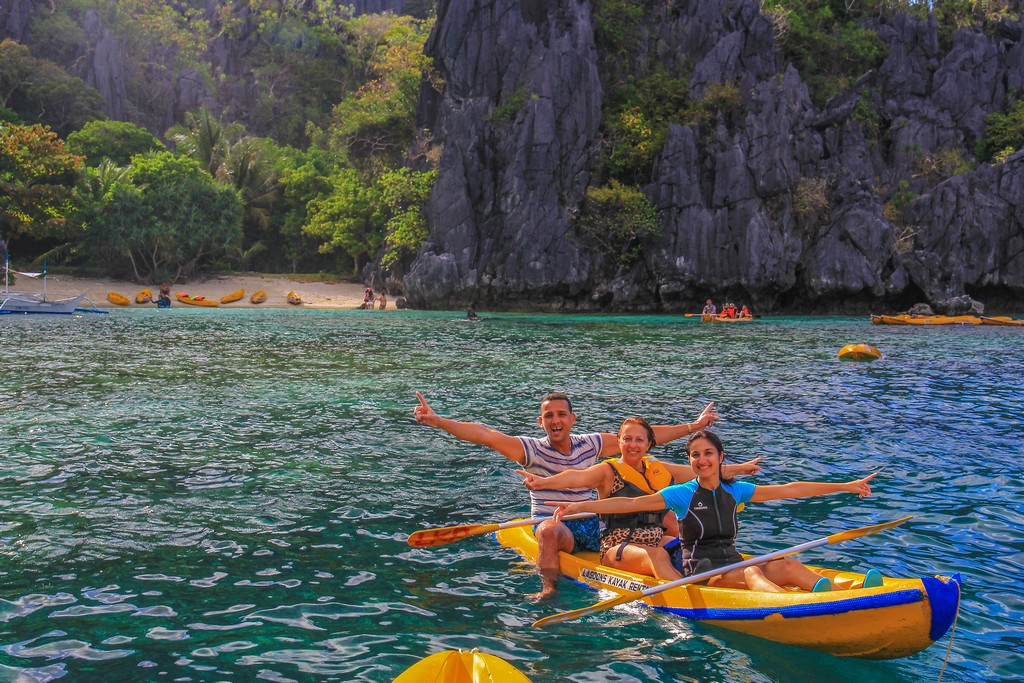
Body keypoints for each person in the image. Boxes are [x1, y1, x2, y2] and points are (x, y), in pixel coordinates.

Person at [413, 392, 719, 599]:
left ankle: (699, 563)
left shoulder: (592, 443)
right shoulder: (530, 449)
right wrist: (438, 421)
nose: (555, 420)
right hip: (559, 525)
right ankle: (549, 589)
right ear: (541, 422)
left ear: (572, 418)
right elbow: (485, 435)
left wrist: (693, 426)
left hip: (596, 523)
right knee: (547, 530)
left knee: (664, 518)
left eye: (561, 414)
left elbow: (644, 437)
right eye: (549, 416)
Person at [550, 429, 882, 593]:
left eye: (708, 453)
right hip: (704, 571)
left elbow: (792, 489)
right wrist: (581, 505)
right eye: (695, 455)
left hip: (734, 563)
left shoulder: (735, 490)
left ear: (721, 458)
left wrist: (846, 485)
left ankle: (842, 598)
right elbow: (630, 504)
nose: (701, 460)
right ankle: (793, 605)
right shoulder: (681, 494)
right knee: (753, 573)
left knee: (787, 563)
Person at [518, 417, 761, 581]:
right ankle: (687, 594)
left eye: (639, 440)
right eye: (627, 439)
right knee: (658, 555)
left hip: (655, 540)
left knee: (695, 548)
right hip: (618, 547)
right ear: (620, 442)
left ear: (648, 444)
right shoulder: (608, 470)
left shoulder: (657, 467)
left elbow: (703, 471)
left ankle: (726, 580)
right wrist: (544, 482)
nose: (632, 445)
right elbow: (575, 477)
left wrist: (739, 469)